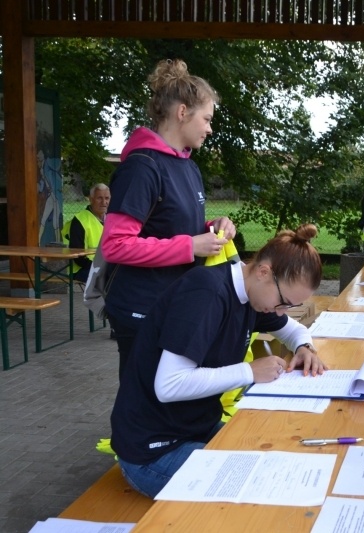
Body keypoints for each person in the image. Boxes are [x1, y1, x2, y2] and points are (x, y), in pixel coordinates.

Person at [110, 224, 326, 498]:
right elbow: (169, 385)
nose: (281, 311)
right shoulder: (207, 294)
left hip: (196, 429)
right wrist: (249, 371)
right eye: (284, 302)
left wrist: (305, 347)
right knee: (259, 489)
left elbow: (293, 329)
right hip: (153, 451)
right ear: (264, 273)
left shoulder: (254, 295)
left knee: (274, 456)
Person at [101, 59, 235, 380]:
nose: (210, 128)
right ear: (182, 112)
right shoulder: (142, 167)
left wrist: (210, 230)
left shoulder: (188, 166)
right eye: (206, 118)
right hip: (141, 307)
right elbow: (116, 246)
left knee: (169, 398)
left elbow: (172, 227)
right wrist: (191, 246)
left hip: (175, 302)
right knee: (142, 405)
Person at [61, 183, 110, 282]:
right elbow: (78, 257)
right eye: (99, 198)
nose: (104, 202)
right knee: (115, 279)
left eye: (107, 198)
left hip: (106, 265)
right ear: (91, 199)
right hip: (82, 269)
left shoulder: (112, 218)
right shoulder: (80, 220)